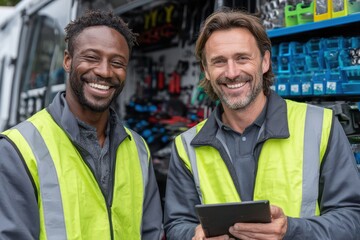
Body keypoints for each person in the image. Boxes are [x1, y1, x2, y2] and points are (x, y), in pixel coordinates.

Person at [164, 9, 360, 240]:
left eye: (242, 58)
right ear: (206, 71)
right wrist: (193, 235)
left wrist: (291, 230)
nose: (232, 72)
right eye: (219, 62)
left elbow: (352, 219)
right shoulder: (187, 146)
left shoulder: (320, 126)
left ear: (265, 61)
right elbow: (176, 224)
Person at [0, 10, 163, 239]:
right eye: (92, 58)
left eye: (117, 62)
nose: (104, 71)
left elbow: (151, 233)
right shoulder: (17, 149)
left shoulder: (138, 149)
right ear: (68, 60)